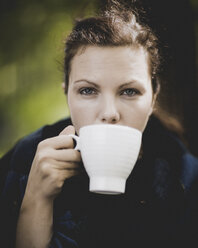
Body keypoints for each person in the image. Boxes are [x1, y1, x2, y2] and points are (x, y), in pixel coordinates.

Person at [1, 1, 198, 247]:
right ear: (67, 95)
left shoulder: (186, 180)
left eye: (129, 91)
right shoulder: (23, 163)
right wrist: (35, 200)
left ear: (153, 99)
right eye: (87, 90)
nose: (109, 113)